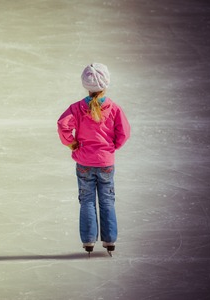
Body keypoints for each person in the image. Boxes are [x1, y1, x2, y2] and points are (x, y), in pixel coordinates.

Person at [57, 63, 130, 256]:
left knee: (87, 201)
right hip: (105, 163)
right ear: (106, 84)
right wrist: (112, 147)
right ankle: (109, 240)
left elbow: (62, 125)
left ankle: (88, 241)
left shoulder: (77, 108)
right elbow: (124, 133)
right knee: (107, 200)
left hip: (84, 163)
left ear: (86, 85)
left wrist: (72, 144)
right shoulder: (113, 108)